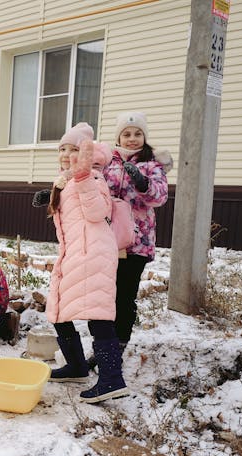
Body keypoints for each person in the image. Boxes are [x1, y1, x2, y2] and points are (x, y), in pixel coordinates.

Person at [44, 122, 129, 403]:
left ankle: (111, 379)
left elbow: (97, 212)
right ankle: (77, 365)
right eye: (62, 149)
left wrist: (82, 179)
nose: (66, 154)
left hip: (93, 254)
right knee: (57, 310)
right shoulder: (67, 179)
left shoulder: (93, 177)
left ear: (86, 154)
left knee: (98, 314)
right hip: (75, 252)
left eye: (73, 149)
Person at [93, 111, 170, 366]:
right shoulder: (107, 161)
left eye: (137, 134)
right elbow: (92, 188)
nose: (132, 138)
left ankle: (118, 346)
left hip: (137, 243)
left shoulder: (151, 163)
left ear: (144, 136)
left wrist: (142, 181)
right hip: (107, 240)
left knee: (124, 296)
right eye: (126, 134)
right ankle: (103, 346)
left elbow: (159, 197)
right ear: (119, 137)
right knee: (105, 294)